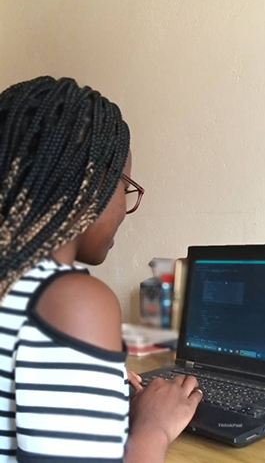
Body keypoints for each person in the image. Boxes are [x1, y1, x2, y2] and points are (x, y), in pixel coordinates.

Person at [0, 76, 202, 462]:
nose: (126, 208)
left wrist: (91, 379)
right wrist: (152, 428)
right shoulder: (75, 302)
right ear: (88, 184)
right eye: (125, 187)